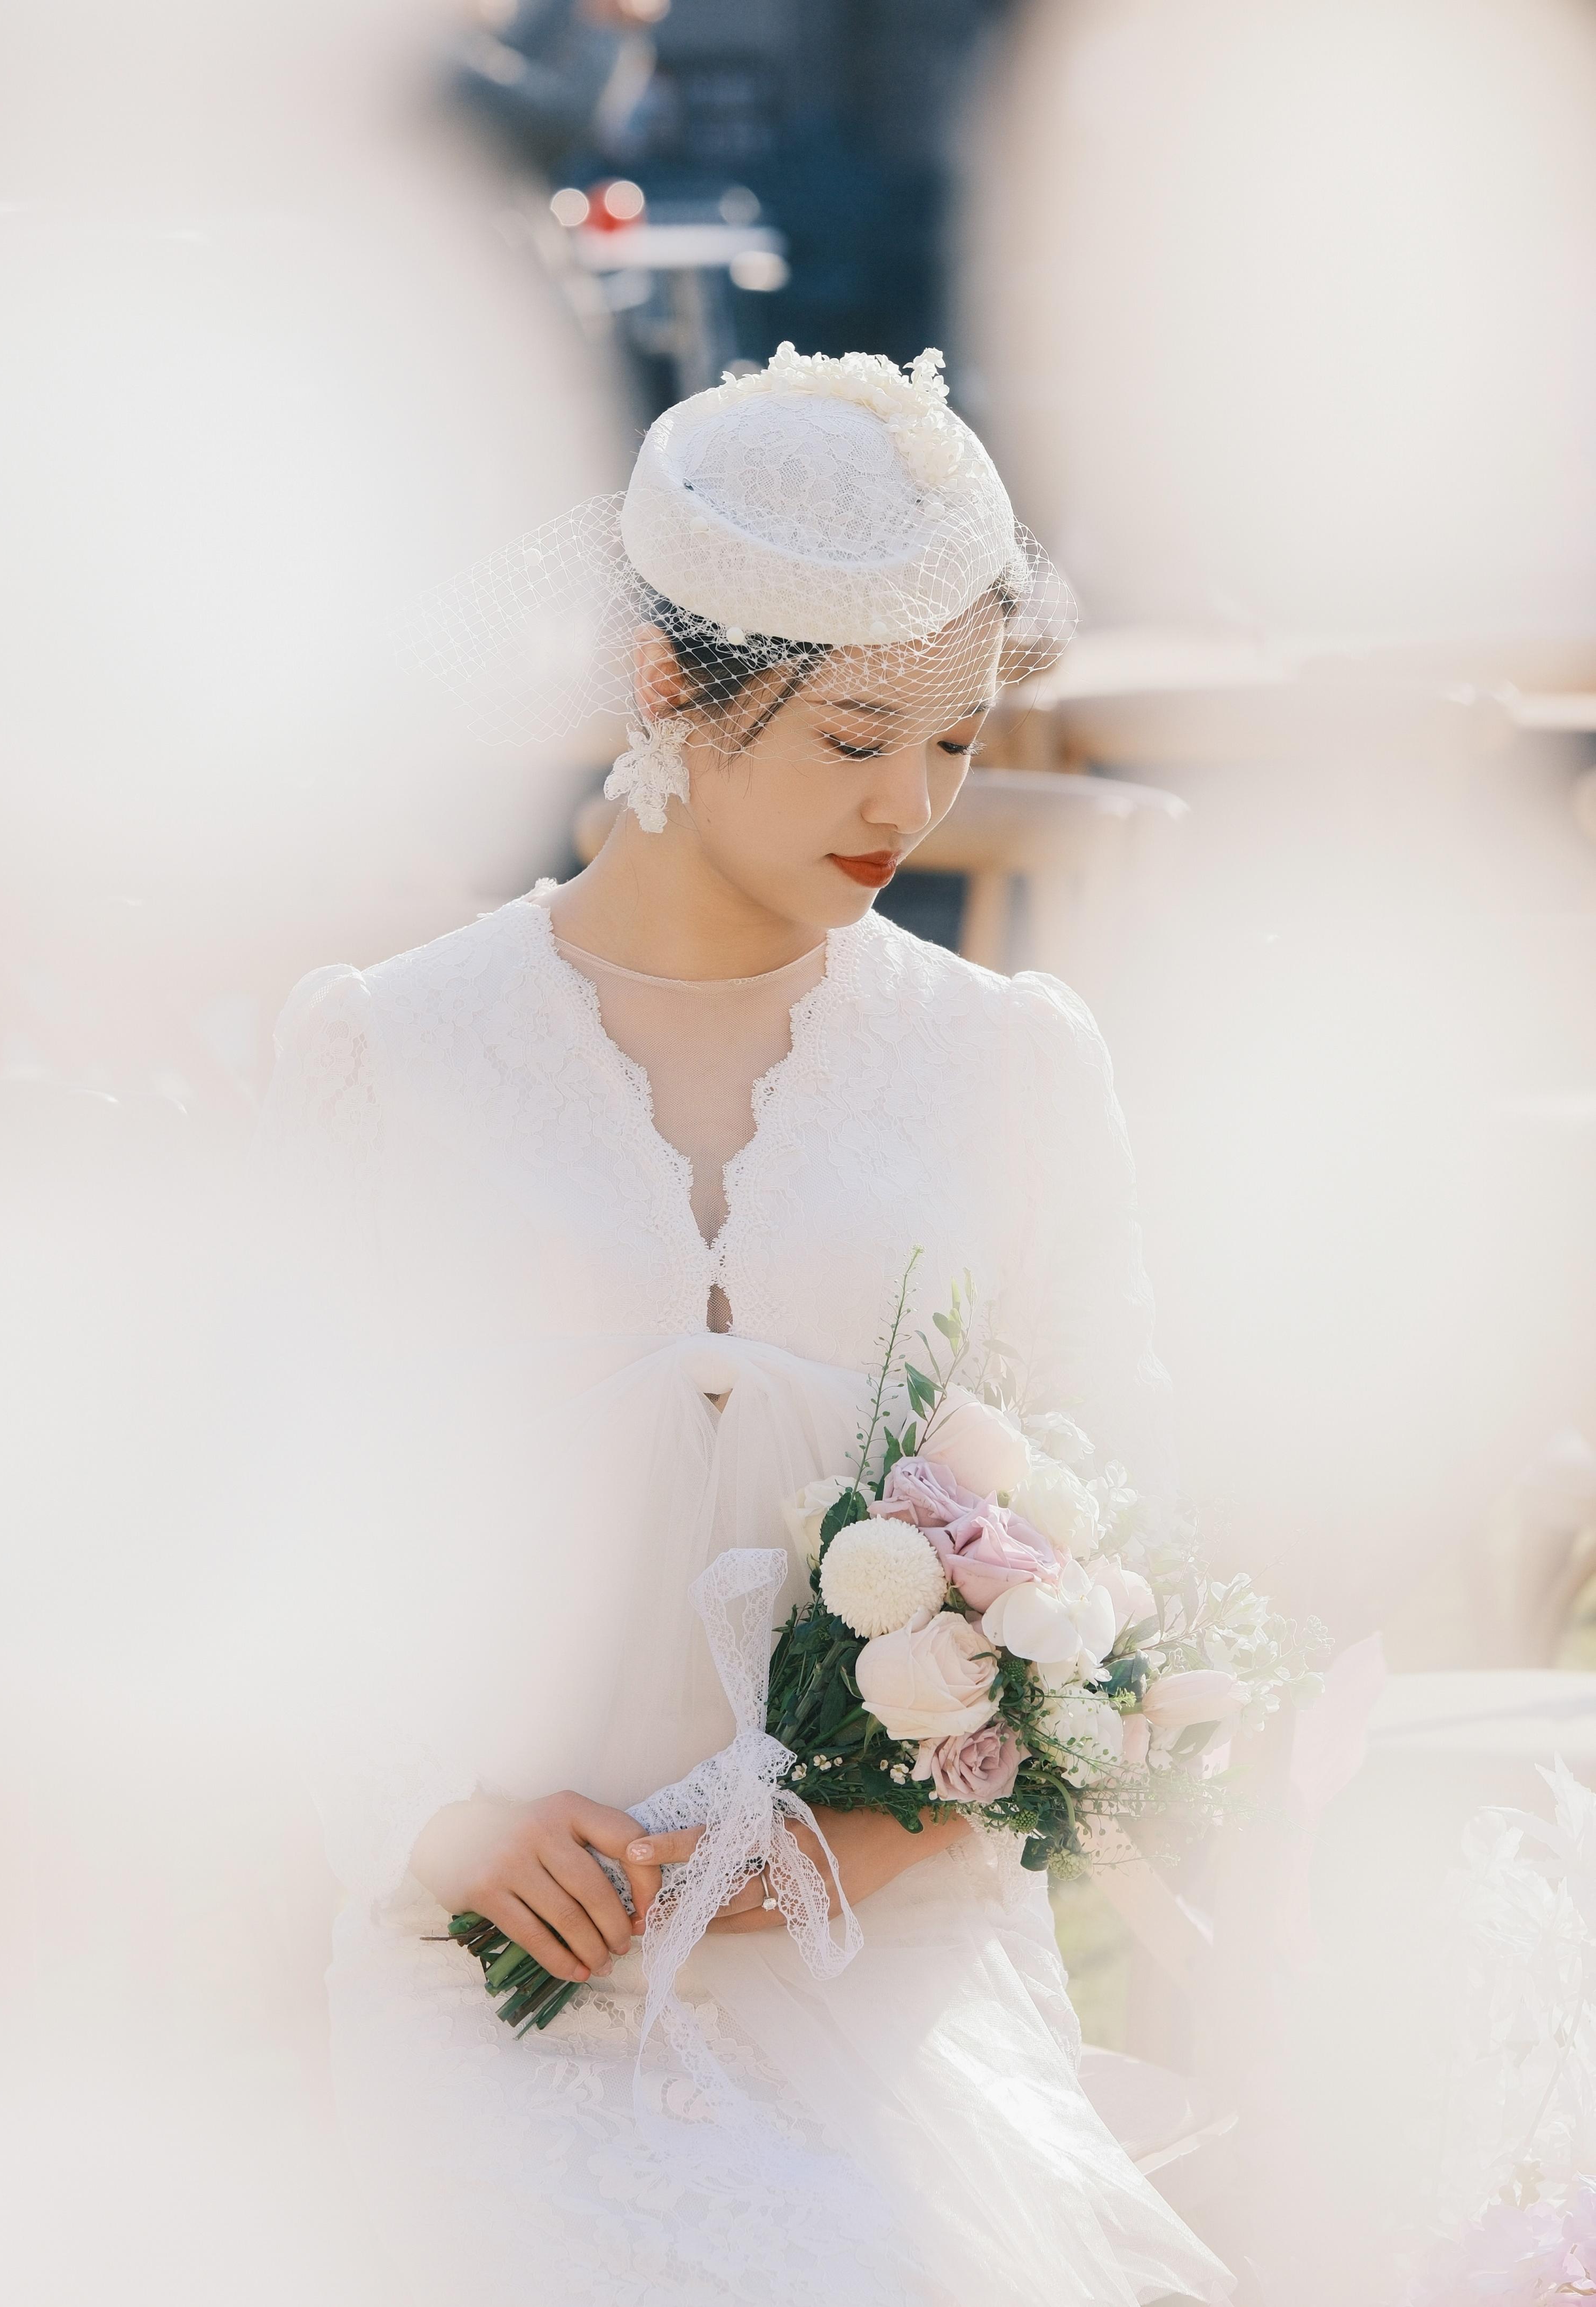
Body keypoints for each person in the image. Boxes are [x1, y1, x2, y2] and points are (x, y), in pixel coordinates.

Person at [259, 344, 1231, 2304]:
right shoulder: (391, 1054)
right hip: (497, 1972)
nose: (910, 802)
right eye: (854, 735)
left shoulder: (1009, 1065)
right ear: (665, 687)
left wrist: (885, 1834)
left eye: (954, 738)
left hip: (884, 1969)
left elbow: (1141, 1557)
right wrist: (441, 1821)